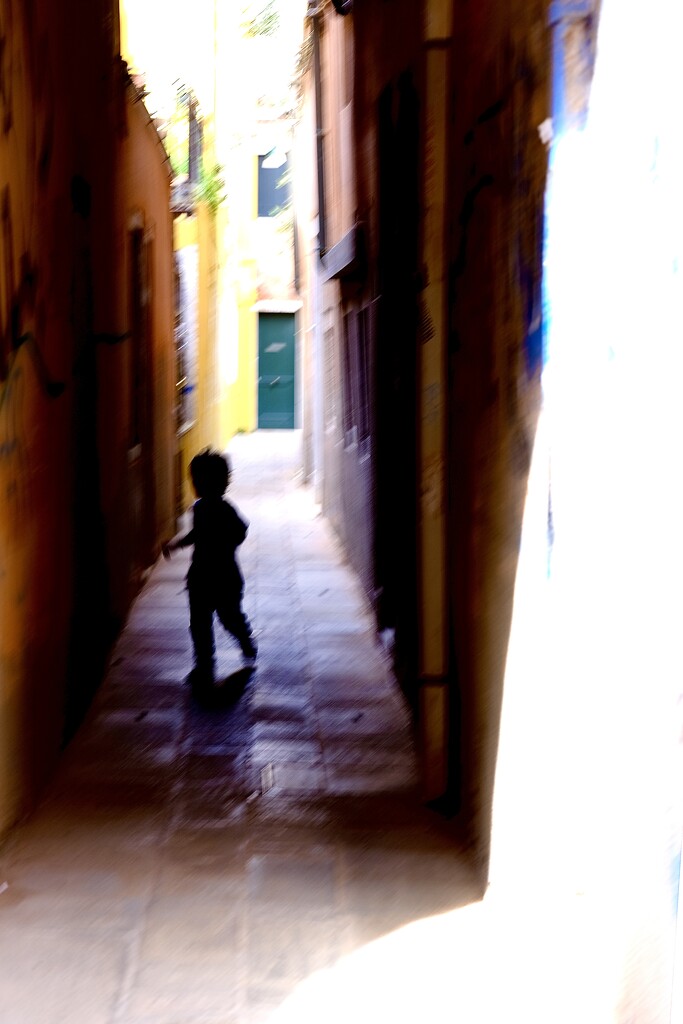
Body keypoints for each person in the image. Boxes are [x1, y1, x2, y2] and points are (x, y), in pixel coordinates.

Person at [163, 448, 257, 696]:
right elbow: (196, 535)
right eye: (195, 480)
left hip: (223, 576)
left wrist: (223, 544)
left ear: (220, 483)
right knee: (200, 624)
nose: (196, 485)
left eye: (200, 481)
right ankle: (203, 665)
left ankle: (245, 639)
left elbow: (241, 531)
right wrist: (177, 544)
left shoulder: (224, 508)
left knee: (229, 617)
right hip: (202, 577)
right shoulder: (199, 509)